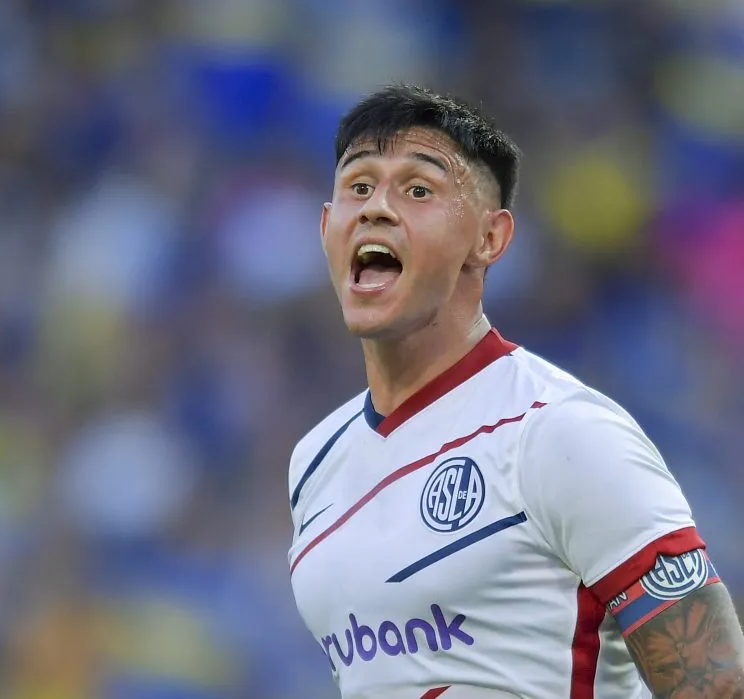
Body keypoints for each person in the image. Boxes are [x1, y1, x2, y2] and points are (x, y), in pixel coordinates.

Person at [286, 84, 744, 699]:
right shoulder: (314, 462)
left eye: (418, 190)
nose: (375, 209)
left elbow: (715, 685)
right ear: (326, 228)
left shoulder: (560, 432)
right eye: (358, 187)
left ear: (490, 238)